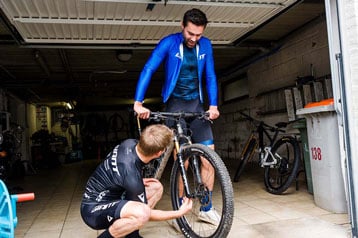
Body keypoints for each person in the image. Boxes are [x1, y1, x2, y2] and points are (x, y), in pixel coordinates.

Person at [133, 8, 220, 225]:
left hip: (196, 105)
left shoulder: (206, 45)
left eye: (198, 34)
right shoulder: (169, 43)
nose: (193, 38)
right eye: (190, 33)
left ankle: (206, 208)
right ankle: (180, 209)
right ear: (183, 26)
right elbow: (148, 68)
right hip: (174, 105)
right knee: (184, 160)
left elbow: (210, 75)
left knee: (209, 157)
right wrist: (138, 102)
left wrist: (213, 104)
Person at [80, 124, 193, 238]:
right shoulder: (131, 176)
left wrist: (132, 181)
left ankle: (132, 235)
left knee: (155, 187)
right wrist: (179, 213)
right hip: (93, 210)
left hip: (112, 192)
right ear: (159, 153)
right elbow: (148, 214)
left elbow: (122, 172)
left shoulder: (129, 143)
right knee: (142, 214)